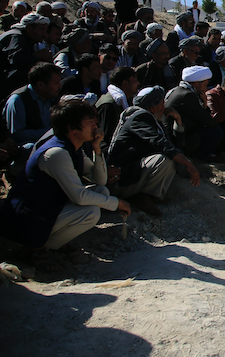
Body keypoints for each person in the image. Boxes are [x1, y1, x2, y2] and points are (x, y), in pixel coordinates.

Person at [0, 98, 131, 253]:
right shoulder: (56, 153)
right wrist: (118, 203)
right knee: (91, 213)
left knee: (101, 192)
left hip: (47, 208)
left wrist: (97, 149)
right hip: (27, 219)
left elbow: (100, 180)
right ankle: (34, 248)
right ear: (72, 128)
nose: (95, 126)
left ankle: (46, 243)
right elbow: (79, 196)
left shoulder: (72, 148)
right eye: (90, 121)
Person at [107, 86, 200, 216]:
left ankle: (149, 195)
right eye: (162, 103)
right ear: (152, 107)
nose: (165, 107)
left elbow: (174, 145)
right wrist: (188, 164)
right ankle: (141, 197)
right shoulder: (140, 118)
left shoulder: (154, 121)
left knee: (171, 155)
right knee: (164, 159)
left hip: (133, 174)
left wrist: (178, 120)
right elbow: (160, 143)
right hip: (121, 178)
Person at [164, 66, 223, 161]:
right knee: (216, 131)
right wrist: (205, 107)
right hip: (177, 140)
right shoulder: (187, 96)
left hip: (180, 134)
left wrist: (204, 106)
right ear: (196, 84)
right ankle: (198, 158)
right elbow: (209, 121)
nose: (206, 88)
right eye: (204, 85)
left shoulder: (179, 90)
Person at [4, 62, 62, 145]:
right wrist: (50, 132)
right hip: (28, 146)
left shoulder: (52, 96)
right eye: (56, 83)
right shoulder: (18, 100)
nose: (60, 86)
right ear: (40, 85)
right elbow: (17, 135)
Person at [0, 13, 53, 97]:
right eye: (42, 29)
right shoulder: (16, 37)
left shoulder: (28, 40)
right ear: (29, 28)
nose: (45, 35)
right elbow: (17, 60)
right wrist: (37, 55)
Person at [95, 66, 139, 147]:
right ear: (125, 83)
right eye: (135, 81)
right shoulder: (108, 104)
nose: (138, 83)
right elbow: (106, 137)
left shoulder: (126, 100)